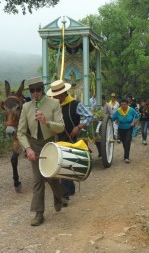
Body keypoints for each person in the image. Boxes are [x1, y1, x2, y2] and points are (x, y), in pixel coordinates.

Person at [17, 76, 65, 226]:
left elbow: (61, 126)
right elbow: (20, 132)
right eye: (32, 90)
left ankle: (58, 196)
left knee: (51, 177)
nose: (35, 93)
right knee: (38, 180)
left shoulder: (54, 103)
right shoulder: (26, 107)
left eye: (38, 89)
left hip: (50, 144)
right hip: (35, 144)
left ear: (43, 89)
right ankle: (39, 213)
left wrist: (46, 122)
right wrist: (28, 148)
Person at [47, 79, 93, 201]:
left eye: (56, 94)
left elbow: (89, 116)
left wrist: (78, 127)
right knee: (61, 162)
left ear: (62, 93)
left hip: (70, 137)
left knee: (65, 162)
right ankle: (69, 188)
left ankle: (65, 193)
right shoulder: (54, 106)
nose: (54, 96)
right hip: (57, 137)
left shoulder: (75, 104)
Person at [111, 99, 139, 163]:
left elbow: (137, 116)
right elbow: (112, 118)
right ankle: (125, 153)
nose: (123, 106)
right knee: (124, 142)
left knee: (128, 141)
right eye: (122, 105)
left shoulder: (131, 110)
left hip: (129, 128)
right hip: (121, 128)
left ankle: (127, 157)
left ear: (127, 104)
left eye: (124, 104)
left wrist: (134, 122)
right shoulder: (118, 111)